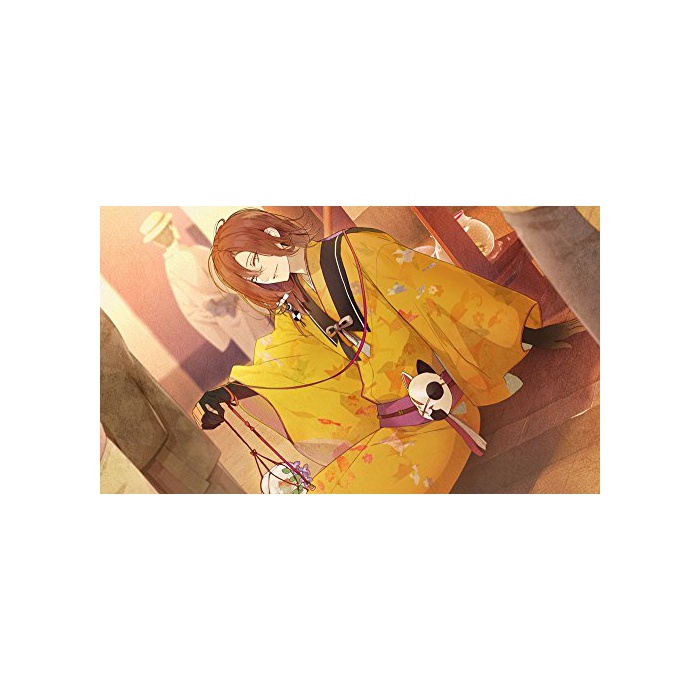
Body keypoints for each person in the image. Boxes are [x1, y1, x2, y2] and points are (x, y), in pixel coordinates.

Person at [193, 209, 582, 494]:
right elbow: (289, 364)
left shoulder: (355, 250)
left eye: (256, 261)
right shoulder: (296, 309)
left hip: (436, 413)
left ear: (271, 234)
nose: (263, 275)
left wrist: (519, 330)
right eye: (251, 276)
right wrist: (230, 392)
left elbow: (434, 286)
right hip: (387, 428)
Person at [139, 210, 272, 358]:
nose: (163, 237)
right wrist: (213, 317)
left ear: (170, 227)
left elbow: (224, 273)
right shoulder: (177, 264)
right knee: (256, 349)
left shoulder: (195, 252)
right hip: (225, 314)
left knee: (267, 340)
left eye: (164, 232)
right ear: (157, 242)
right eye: (159, 237)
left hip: (237, 304)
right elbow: (188, 305)